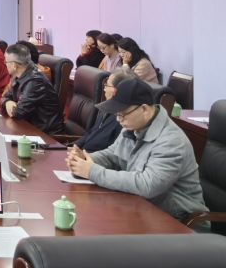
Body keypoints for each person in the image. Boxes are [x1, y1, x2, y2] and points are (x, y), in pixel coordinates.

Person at [67, 78, 207, 221]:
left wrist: (92, 171)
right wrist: (85, 160)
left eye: (122, 114)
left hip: (179, 220)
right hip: (143, 208)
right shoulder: (133, 126)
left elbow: (147, 185)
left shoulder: (171, 141)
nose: (118, 120)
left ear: (144, 109)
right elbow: (113, 155)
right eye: (116, 114)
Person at [0, 43, 64, 135]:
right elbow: (4, 97)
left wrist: (7, 103)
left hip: (44, 134)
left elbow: (19, 112)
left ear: (14, 65)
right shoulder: (19, 74)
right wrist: (7, 102)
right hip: (28, 126)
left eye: (6, 62)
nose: (5, 64)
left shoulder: (35, 81)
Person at [73, 68, 137, 152]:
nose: (104, 89)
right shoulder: (105, 109)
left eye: (107, 85)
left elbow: (112, 154)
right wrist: (72, 147)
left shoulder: (124, 120)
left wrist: (84, 156)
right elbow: (90, 134)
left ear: (118, 90)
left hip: (93, 158)